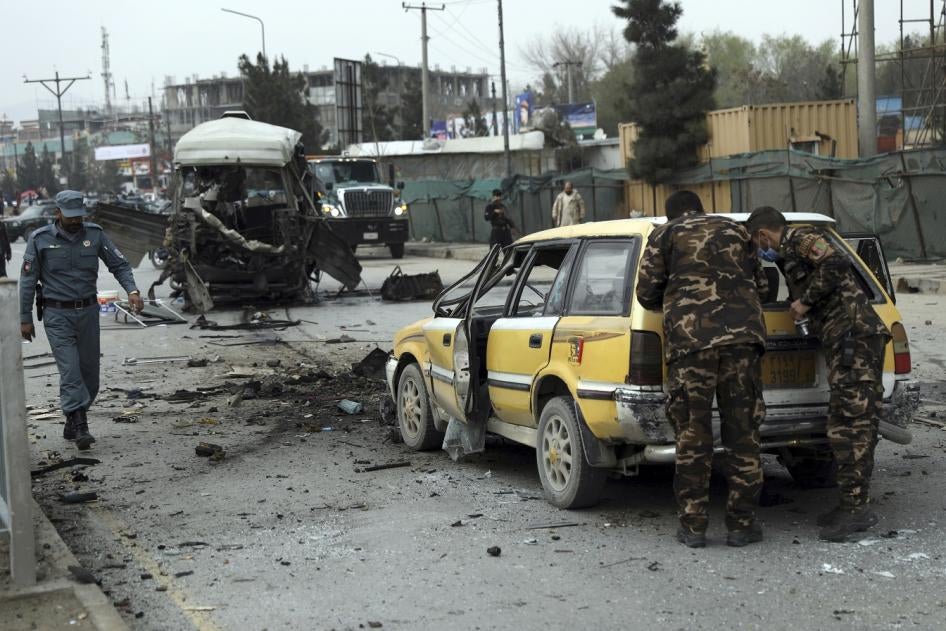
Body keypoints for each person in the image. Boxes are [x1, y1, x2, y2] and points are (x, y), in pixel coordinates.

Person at [746, 206, 890, 542]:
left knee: (851, 426)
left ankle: (856, 510)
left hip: (855, 336)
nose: (759, 250)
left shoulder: (799, 238)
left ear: (763, 234)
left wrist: (806, 302)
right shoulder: (787, 254)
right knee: (846, 424)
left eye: (757, 243)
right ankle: (851, 504)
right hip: (846, 339)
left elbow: (838, 263)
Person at [636, 190, 768, 548]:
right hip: (743, 343)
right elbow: (765, 286)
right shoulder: (737, 230)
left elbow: (646, 293)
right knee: (743, 434)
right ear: (702, 209)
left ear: (671, 215)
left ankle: (693, 527)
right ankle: (742, 525)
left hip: (691, 345)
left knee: (693, 436)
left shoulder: (665, 234)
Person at [19, 190, 144, 451]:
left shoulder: (95, 235)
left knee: (91, 376)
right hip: (56, 315)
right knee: (71, 370)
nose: (76, 221)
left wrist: (132, 290)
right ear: (58, 213)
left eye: (79, 216)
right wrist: (25, 318)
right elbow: (28, 281)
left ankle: (71, 418)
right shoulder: (40, 239)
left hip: (88, 313)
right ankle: (81, 426)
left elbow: (119, 264)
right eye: (70, 216)